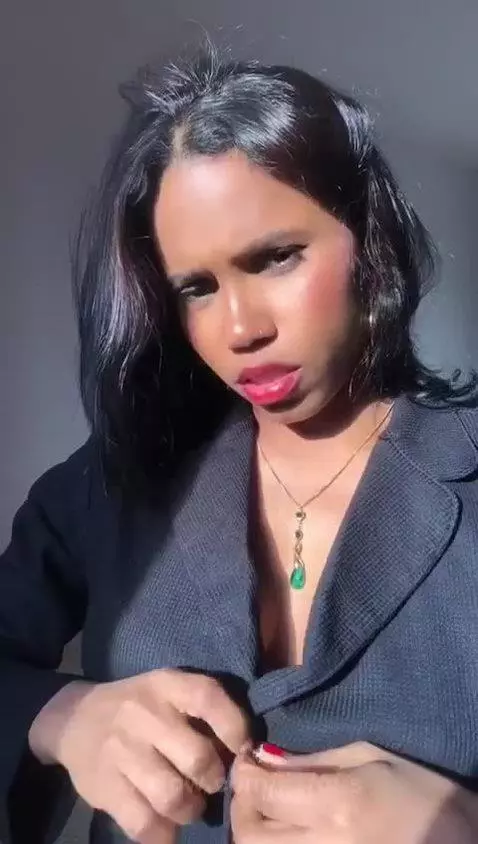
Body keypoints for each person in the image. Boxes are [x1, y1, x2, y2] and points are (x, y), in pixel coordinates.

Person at [1, 43, 478, 844]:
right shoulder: (115, 486)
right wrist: (61, 714)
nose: (239, 328)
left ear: (368, 236)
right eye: (197, 287)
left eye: (275, 258)